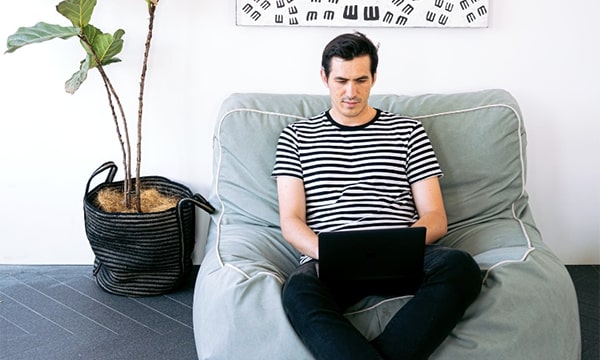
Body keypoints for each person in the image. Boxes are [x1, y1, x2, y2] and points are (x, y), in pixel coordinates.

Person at [272, 32, 482, 360]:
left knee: (461, 267)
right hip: (329, 259)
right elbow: (291, 220)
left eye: (361, 80)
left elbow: (436, 217)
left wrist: (398, 247)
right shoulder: (295, 136)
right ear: (324, 77)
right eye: (341, 80)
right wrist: (327, 253)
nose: (351, 92)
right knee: (298, 291)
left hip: (401, 253)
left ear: (374, 78)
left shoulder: (409, 131)